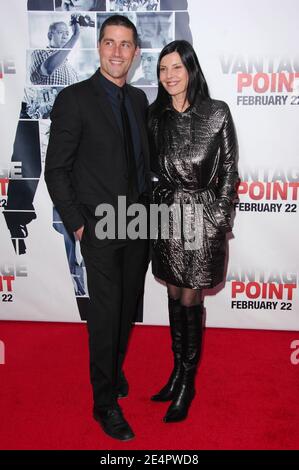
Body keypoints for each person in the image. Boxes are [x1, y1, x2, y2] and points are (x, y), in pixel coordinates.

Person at [45, 15, 150, 441]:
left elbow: (141, 164)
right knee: (106, 315)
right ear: (99, 47)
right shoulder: (75, 99)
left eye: (126, 45)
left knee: (126, 310)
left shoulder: (140, 100)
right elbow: (56, 170)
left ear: (136, 52)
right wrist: (78, 225)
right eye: (110, 42)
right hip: (100, 227)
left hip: (139, 223)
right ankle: (104, 402)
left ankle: (114, 368)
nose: (118, 52)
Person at [148, 40, 239, 423]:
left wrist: (219, 219)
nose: (169, 76)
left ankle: (188, 380)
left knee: (190, 297)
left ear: (191, 69)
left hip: (202, 217)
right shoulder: (155, 116)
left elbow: (230, 173)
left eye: (176, 68)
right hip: (168, 216)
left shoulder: (216, 113)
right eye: (163, 69)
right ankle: (176, 371)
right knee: (172, 291)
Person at [30, 19, 79, 85]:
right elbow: (47, 69)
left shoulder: (73, 71)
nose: (65, 36)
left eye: (67, 34)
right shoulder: (39, 53)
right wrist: (75, 37)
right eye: (60, 32)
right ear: (50, 36)